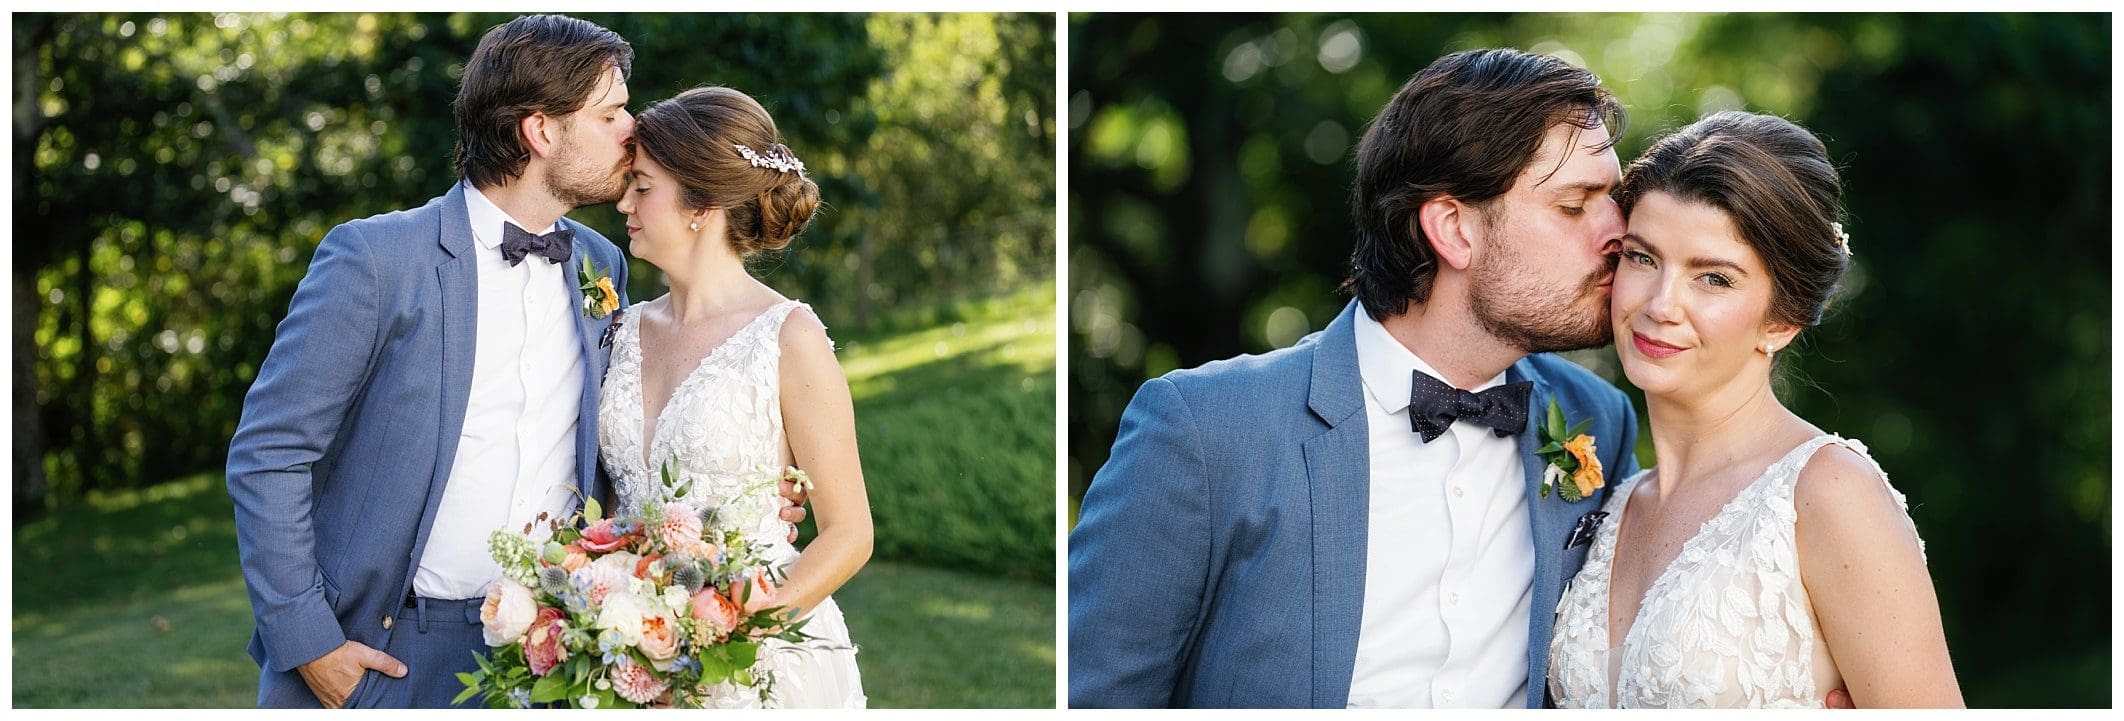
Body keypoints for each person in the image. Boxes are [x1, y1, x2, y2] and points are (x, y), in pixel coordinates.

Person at [226, 16, 802, 709]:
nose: (634, 130)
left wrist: (747, 488)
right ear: (541, 132)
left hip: (551, 652)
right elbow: (269, 452)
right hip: (385, 649)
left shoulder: (602, 267)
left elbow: (623, 443)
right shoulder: (378, 261)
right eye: (611, 113)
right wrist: (310, 642)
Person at [1069, 48, 1642, 708]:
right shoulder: (1205, 432)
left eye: (1613, 199)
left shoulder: (1597, 418)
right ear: (1454, 228)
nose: (1618, 235)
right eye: (1575, 206)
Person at [1546, 110, 1962, 708]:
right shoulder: (1613, 501)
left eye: (1713, 278)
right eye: (1642, 258)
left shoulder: (1827, 493)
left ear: (1782, 318)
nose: (1661, 304)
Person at [603, 85, 871, 708]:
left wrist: (735, 636)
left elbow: (849, 531)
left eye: (642, 187)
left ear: (702, 204)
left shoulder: (788, 339)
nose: (624, 203)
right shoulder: (618, 331)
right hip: (628, 648)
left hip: (756, 666)